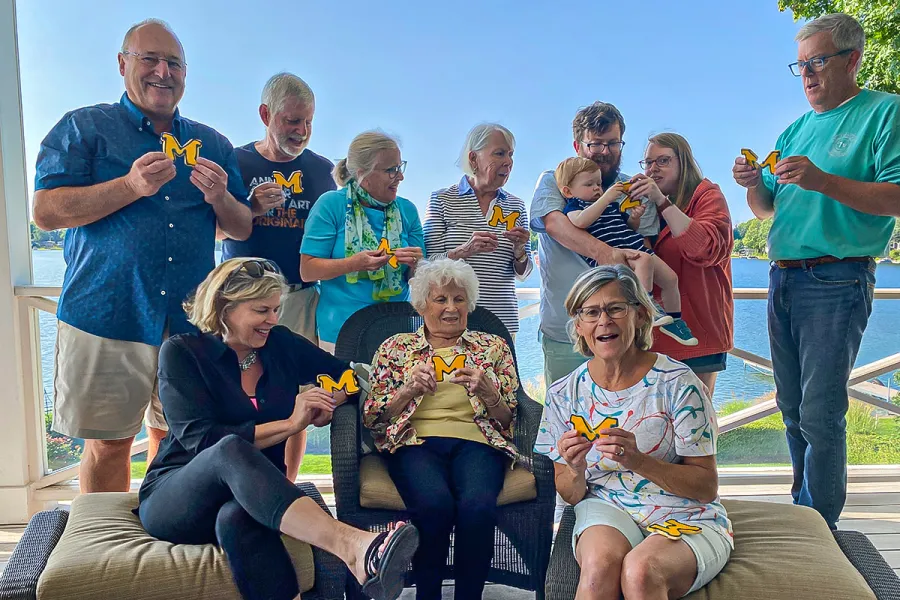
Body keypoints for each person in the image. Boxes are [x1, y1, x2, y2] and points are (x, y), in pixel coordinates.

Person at [31, 19, 251, 493]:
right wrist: (130, 186)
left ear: (185, 74)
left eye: (173, 62)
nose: (161, 72)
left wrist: (220, 199)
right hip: (107, 313)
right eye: (149, 59)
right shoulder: (83, 128)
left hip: (190, 321)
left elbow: (240, 226)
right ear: (122, 64)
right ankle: (102, 548)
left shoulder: (212, 144)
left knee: (176, 438)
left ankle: (156, 529)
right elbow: (46, 213)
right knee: (109, 443)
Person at [136, 258, 419, 600]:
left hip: (252, 492)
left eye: (276, 309)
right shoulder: (182, 352)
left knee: (238, 516)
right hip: (178, 496)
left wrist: (331, 397)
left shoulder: (280, 344)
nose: (273, 319)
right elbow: (202, 442)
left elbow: (350, 375)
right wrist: (290, 424)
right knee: (227, 447)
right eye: (262, 310)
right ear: (225, 307)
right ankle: (352, 545)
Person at [732, 13, 900, 529]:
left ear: (853, 59)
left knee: (820, 412)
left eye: (818, 61)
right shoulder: (795, 129)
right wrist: (750, 183)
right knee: (790, 406)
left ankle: (819, 529)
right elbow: (767, 210)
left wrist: (823, 180)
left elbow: (896, 196)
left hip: (837, 278)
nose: (807, 74)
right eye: (800, 64)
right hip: (784, 277)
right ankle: (804, 513)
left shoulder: (884, 112)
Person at [535, 265, 732, 599]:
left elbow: (706, 487)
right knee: (598, 569)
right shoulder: (563, 394)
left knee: (641, 572)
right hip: (606, 504)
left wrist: (638, 461)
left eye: (615, 309)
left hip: (684, 510)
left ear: (640, 316)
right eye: (591, 312)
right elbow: (569, 494)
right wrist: (575, 467)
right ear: (579, 325)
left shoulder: (678, 384)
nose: (604, 321)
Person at [362, 258, 519, 600]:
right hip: (413, 441)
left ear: (469, 304)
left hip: (478, 441)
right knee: (434, 505)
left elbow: (509, 420)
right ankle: (427, 594)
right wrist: (407, 390)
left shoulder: (492, 347)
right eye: (441, 299)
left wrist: (490, 393)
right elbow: (373, 418)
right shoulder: (395, 348)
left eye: (459, 299)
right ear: (421, 304)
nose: (451, 308)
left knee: (477, 507)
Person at [221, 72, 336, 481]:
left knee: (294, 396)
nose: (301, 131)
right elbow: (214, 231)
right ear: (265, 114)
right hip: (237, 301)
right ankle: (235, 479)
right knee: (234, 391)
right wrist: (249, 207)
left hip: (299, 298)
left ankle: (285, 486)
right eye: (292, 121)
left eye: (308, 122)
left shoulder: (323, 171)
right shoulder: (235, 161)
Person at [530, 102, 657, 388]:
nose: (605, 151)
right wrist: (608, 255)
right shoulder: (554, 180)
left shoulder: (632, 186)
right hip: (564, 333)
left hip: (623, 335)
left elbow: (645, 244)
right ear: (578, 145)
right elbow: (555, 225)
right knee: (565, 423)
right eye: (596, 144)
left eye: (613, 143)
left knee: (624, 423)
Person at [626, 133, 734, 398]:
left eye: (663, 160)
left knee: (697, 424)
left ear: (684, 161)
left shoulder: (707, 196)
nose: (653, 169)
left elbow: (705, 249)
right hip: (655, 338)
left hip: (699, 332)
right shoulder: (646, 205)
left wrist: (663, 203)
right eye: (648, 163)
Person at [300, 131, 424, 353]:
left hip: (398, 331)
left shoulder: (408, 210)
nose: (400, 177)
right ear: (362, 173)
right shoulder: (330, 205)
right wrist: (354, 264)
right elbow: (308, 270)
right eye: (390, 170)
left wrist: (416, 264)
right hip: (340, 331)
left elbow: (417, 278)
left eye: (400, 167)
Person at [556, 157, 697, 346]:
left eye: (598, 183)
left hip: (635, 245)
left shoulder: (610, 207)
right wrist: (606, 198)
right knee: (645, 260)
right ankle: (646, 309)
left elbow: (629, 226)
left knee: (671, 279)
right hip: (615, 257)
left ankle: (675, 320)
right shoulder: (575, 207)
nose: (597, 188)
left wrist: (635, 217)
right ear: (568, 191)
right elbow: (580, 221)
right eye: (589, 184)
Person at [424, 123, 532, 337]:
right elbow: (426, 266)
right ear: (473, 158)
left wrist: (520, 251)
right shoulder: (442, 199)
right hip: (449, 321)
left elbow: (524, 274)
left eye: (511, 155)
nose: (508, 162)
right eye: (499, 153)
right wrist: (463, 252)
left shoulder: (516, 206)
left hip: (501, 322)